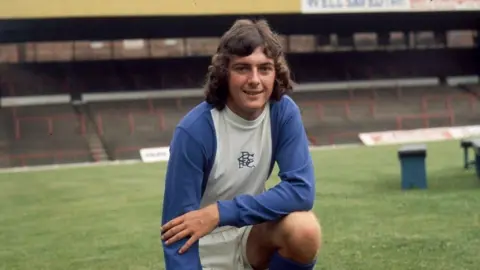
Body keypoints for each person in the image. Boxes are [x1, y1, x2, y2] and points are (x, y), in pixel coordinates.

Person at [161, 18, 322, 270]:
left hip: (250, 238)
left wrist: (220, 212)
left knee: (304, 229)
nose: (255, 79)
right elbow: (176, 231)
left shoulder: (282, 113)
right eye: (243, 68)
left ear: (275, 72)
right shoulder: (194, 131)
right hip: (204, 249)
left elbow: (301, 190)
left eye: (265, 68)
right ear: (225, 73)